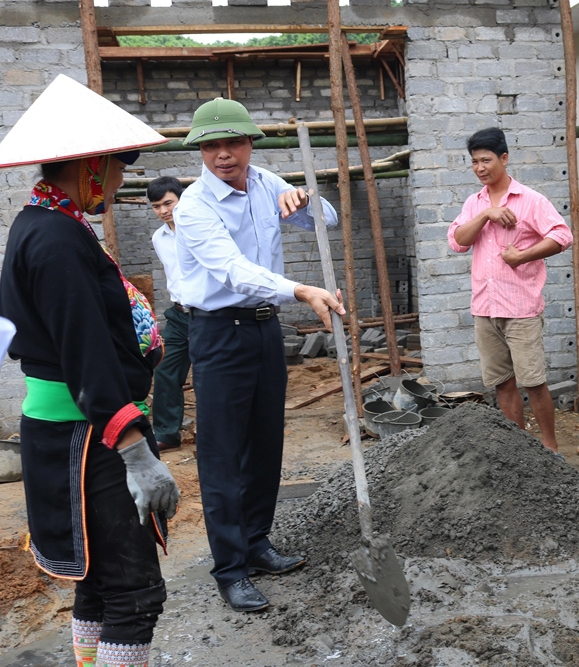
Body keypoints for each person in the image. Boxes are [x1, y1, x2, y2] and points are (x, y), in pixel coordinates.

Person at [0, 74, 180, 667]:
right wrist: (134, 452)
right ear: (89, 165)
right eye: (118, 168)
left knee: (97, 581)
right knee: (134, 589)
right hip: (91, 436)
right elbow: (86, 351)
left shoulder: (45, 222)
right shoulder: (54, 238)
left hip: (73, 430)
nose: (121, 180)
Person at [173, 98, 344, 612]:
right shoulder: (193, 207)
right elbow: (233, 271)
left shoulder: (267, 183)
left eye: (233, 143)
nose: (223, 154)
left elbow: (328, 221)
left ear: (250, 143)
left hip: (265, 331)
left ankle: (257, 542)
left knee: (266, 442)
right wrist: (301, 290)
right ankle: (230, 568)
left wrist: (304, 197)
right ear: (201, 151)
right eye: (211, 146)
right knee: (223, 452)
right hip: (218, 333)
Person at [448, 128, 573, 453]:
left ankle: (550, 447)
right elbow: (458, 241)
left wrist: (523, 256)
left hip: (521, 311)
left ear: (504, 158)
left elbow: (562, 236)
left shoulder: (530, 200)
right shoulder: (474, 203)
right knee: (502, 383)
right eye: (474, 162)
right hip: (484, 310)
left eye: (486, 160)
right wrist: (487, 214)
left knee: (533, 382)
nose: (480, 168)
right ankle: (520, 451)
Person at [148, 177, 191, 453]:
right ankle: (167, 433)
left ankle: (219, 430)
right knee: (164, 369)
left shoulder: (199, 229)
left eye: (168, 203)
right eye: (156, 206)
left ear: (180, 199)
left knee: (210, 372)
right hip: (178, 314)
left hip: (209, 313)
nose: (163, 211)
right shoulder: (159, 237)